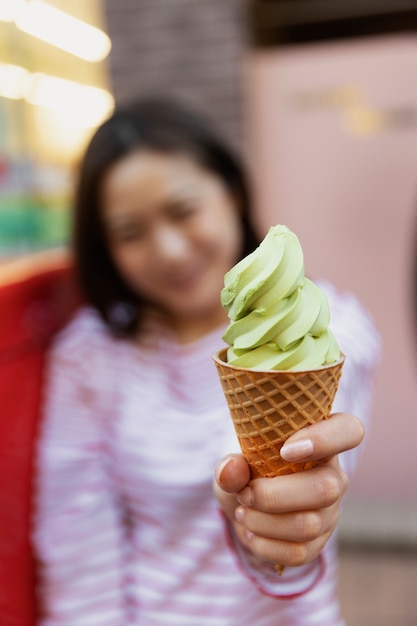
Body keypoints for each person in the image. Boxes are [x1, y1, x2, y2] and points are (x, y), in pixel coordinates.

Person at [33, 98, 380, 626]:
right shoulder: (89, 357)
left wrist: (253, 509)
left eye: (183, 210)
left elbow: (270, 470)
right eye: (131, 233)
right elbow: (79, 550)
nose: (169, 250)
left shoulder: (328, 329)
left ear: (231, 191)